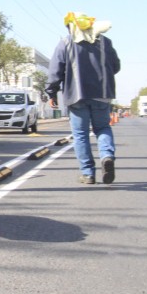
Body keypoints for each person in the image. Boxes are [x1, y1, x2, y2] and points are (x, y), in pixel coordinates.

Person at [46, 12, 121, 185]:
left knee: (80, 135)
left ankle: (88, 174)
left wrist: (52, 92)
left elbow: (55, 70)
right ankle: (107, 156)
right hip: (102, 95)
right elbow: (116, 66)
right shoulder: (105, 42)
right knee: (102, 128)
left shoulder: (65, 43)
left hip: (76, 95)